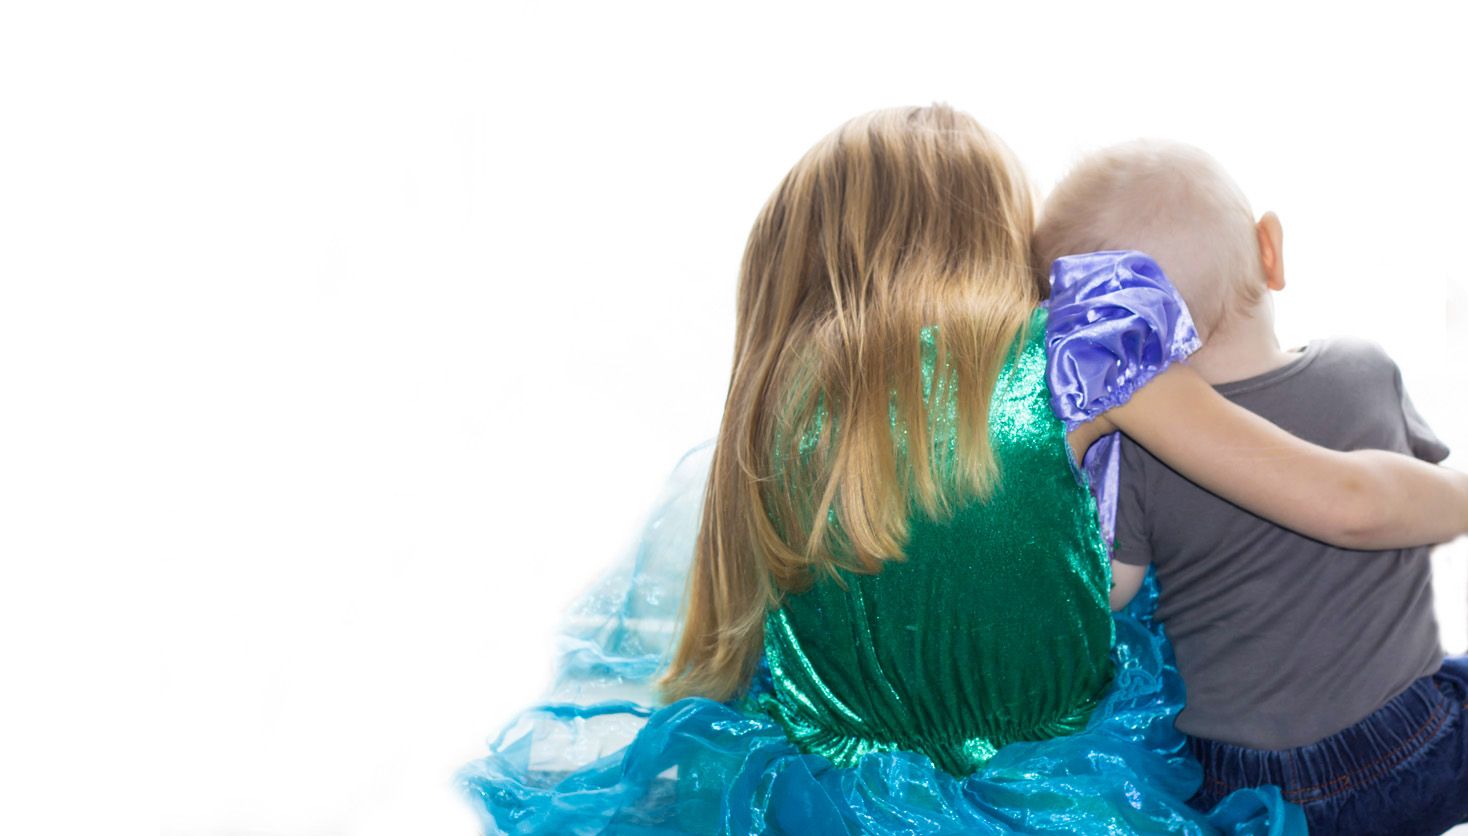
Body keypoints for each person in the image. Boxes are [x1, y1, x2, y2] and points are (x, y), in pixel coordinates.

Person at [459, 106, 1468, 834]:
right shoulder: (1072, 347)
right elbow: (1305, 491)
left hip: (827, 793)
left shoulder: (776, 404)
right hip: (1057, 781)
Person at [1035, 139, 1468, 836]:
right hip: (1406, 747)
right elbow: (1418, 494)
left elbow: (1109, 593)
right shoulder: (1364, 368)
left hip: (1242, 794)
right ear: (1271, 248)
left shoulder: (1136, 450)